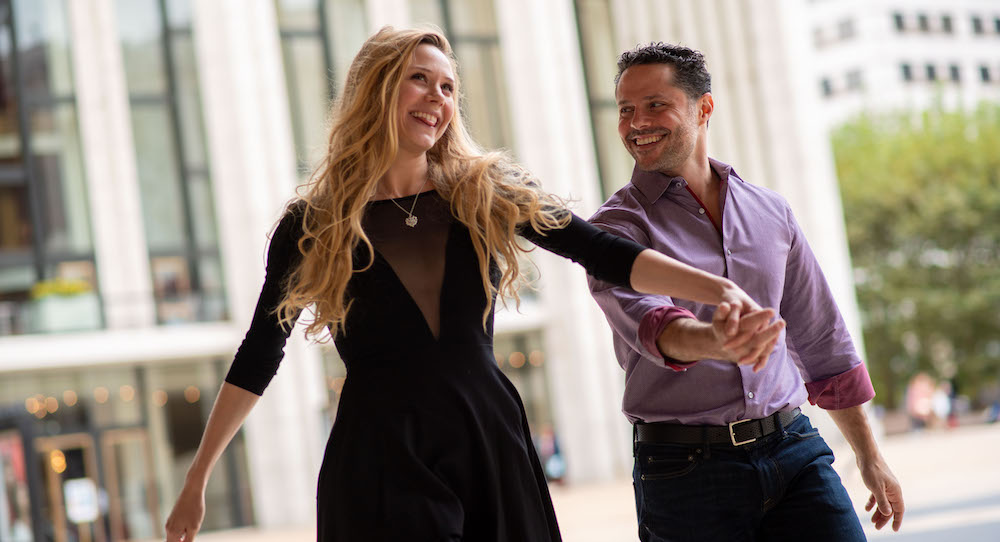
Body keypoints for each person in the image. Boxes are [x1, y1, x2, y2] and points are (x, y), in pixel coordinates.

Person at [164, 27, 775, 542]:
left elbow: (604, 252)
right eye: (420, 79)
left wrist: (719, 289)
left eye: (449, 87)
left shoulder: (483, 192)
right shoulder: (312, 222)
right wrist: (197, 480)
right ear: (376, 88)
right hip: (380, 447)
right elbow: (258, 355)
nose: (438, 97)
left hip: (486, 434)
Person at [587, 42, 905, 541]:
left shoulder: (770, 211)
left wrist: (869, 455)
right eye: (625, 109)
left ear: (703, 107)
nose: (636, 122)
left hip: (794, 448)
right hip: (684, 471)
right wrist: (718, 340)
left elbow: (822, 339)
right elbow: (653, 326)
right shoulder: (613, 228)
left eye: (655, 105)